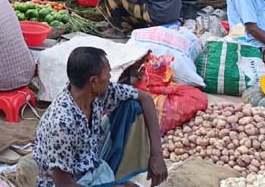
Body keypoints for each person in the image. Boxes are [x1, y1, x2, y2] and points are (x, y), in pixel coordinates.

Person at [34, 46, 167, 187]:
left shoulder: (97, 93)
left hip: (91, 164)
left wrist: (157, 154)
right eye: (108, 73)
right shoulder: (62, 123)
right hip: (69, 182)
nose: (110, 77)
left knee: (132, 106)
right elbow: (64, 185)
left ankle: (116, 174)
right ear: (93, 81)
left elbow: (145, 98)